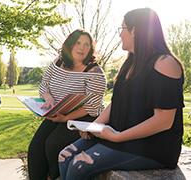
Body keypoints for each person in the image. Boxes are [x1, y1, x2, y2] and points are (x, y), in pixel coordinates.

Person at [58, 8, 185, 180]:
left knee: (79, 165)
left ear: (135, 30)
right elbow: (117, 101)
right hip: (119, 135)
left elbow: (164, 120)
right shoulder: (131, 62)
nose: (120, 34)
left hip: (151, 147)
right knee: (64, 156)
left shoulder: (165, 63)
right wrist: (93, 126)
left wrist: (118, 137)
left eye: (122, 28)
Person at [28, 29, 107, 180]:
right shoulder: (59, 62)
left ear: (91, 48)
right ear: (70, 44)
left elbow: (92, 106)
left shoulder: (95, 72)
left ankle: (53, 176)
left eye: (87, 44)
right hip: (56, 113)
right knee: (35, 149)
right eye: (78, 43)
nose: (82, 47)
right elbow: (44, 84)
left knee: (53, 145)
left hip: (82, 119)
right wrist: (48, 98)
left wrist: (65, 119)